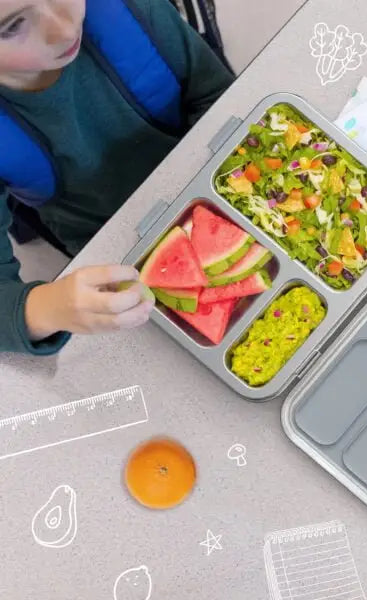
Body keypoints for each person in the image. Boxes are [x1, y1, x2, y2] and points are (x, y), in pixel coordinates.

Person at [0, 0, 234, 355]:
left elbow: (216, 95)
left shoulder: (129, 9)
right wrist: (45, 308)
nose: (65, 29)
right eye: (12, 26)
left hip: (217, 179)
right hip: (113, 248)